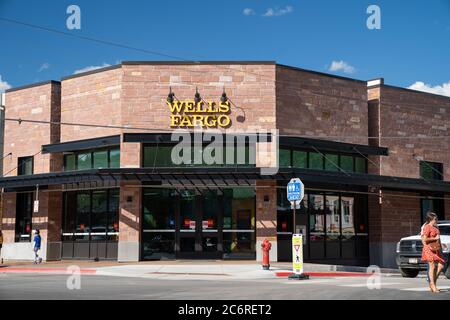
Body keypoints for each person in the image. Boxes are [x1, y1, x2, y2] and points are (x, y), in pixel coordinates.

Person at [421, 212, 445, 293]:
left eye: (436, 218)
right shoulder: (427, 227)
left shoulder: (436, 228)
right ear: (430, 219)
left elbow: (438, 239)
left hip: (436, 249)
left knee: (441, 265)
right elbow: (424, 239)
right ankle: (433, 285)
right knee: (432, 267)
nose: (436, 220)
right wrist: (434, 238)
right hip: (429, 248)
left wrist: (440, 247)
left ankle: (432, 282)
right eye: (435, 219)